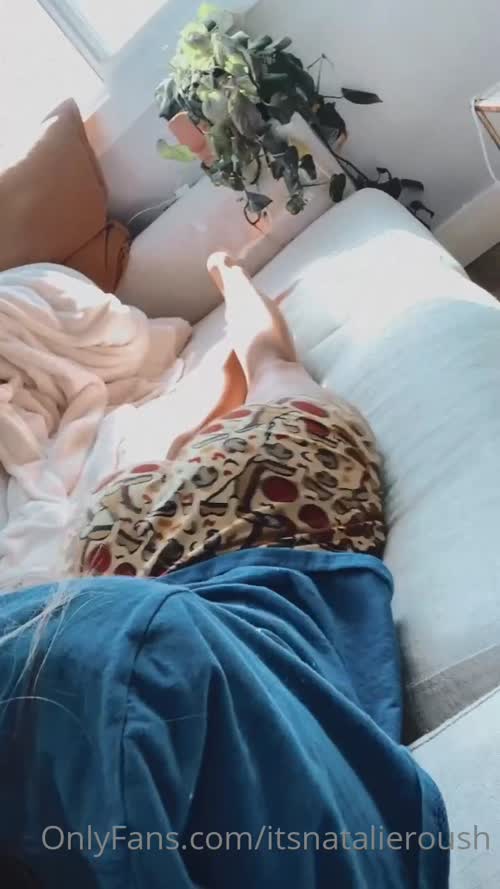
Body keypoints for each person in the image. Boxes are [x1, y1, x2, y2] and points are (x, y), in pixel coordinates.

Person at [0, 255, 449, 888]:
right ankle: (234, 294)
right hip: (230, 543)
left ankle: (233, 305)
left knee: (253, 386)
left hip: (155, 566)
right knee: (270, 371)